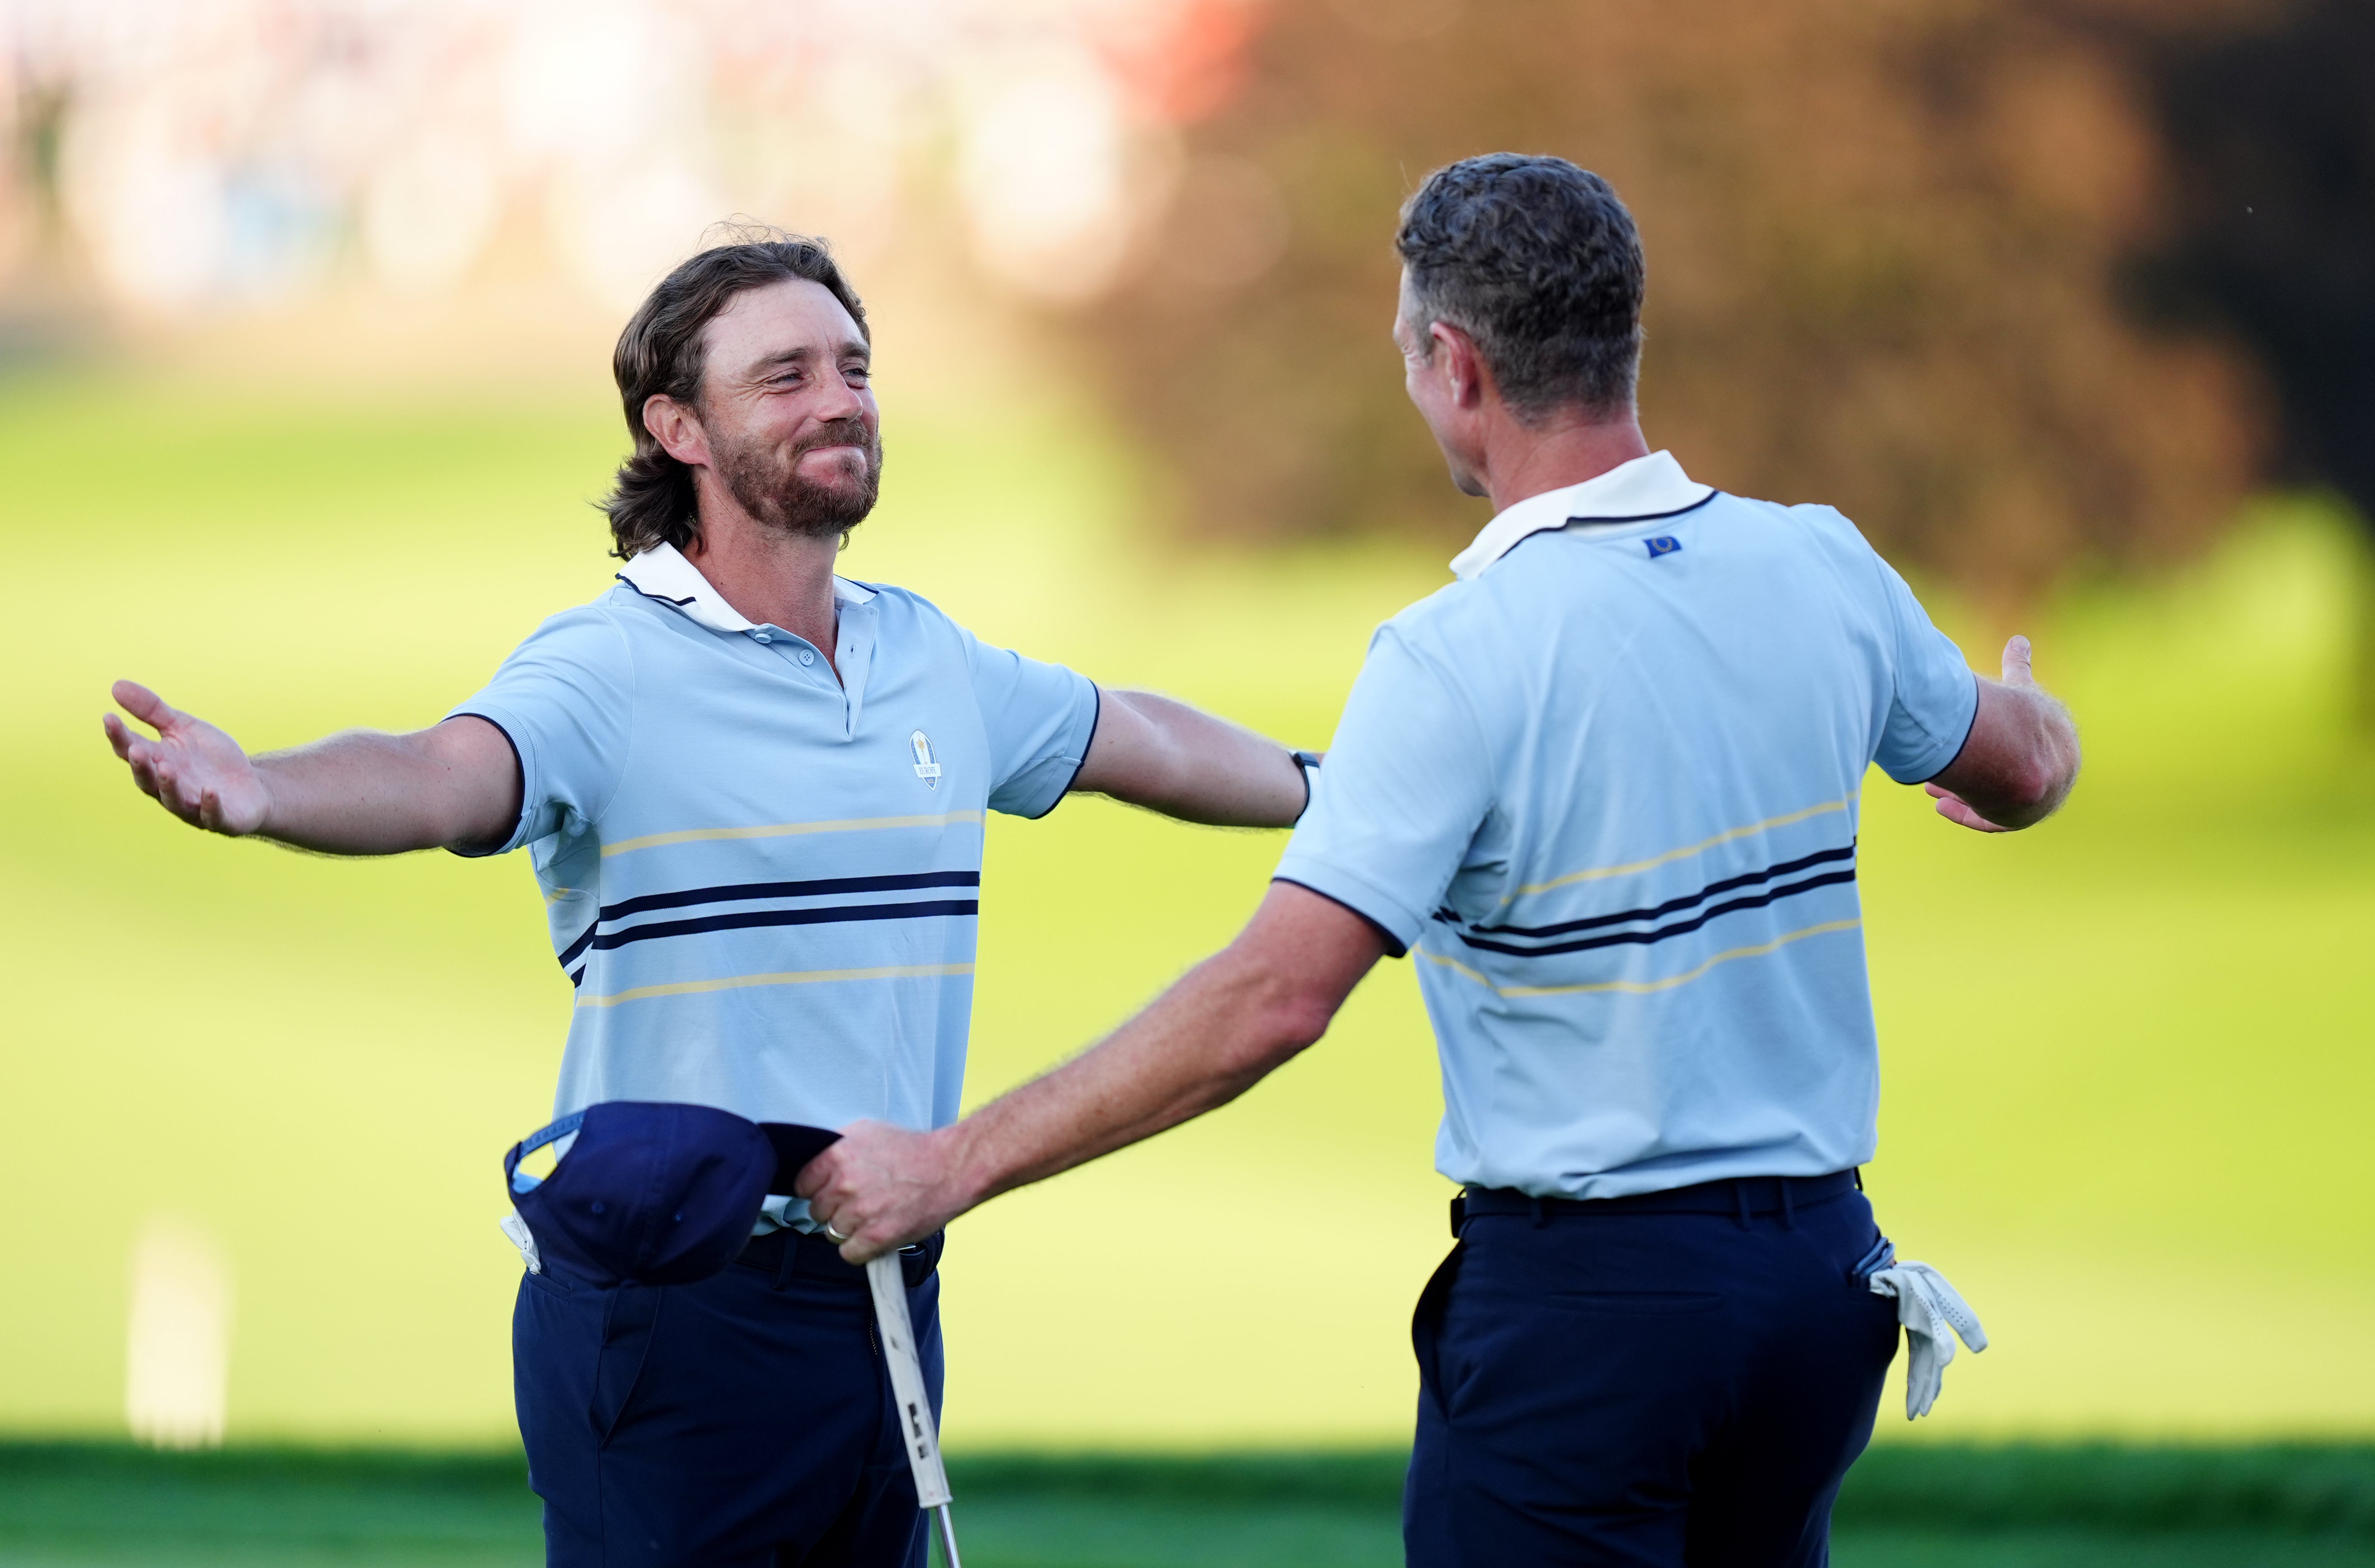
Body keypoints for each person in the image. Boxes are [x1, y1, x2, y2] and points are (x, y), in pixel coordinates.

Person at [799, 156, 2083, 1566]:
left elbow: (1274, 998)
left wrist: (952, 1164)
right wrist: (2036, 727)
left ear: (1456, 366)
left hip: (1594, 1318)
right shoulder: (1821, 564)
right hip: (1819, 1288)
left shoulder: (1456, 654)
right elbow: (2016, 765)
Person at [102, 231, 1315, 1568]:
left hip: (888, 1283)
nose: (839, 398)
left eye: (853, 367)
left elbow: (1136, 736)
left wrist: (1343, 794)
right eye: (784, 375)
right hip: (674, 1307)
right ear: (676, 426)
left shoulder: (930, 658)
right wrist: (264, 788)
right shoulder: (609, 665)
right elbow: (447, 773)